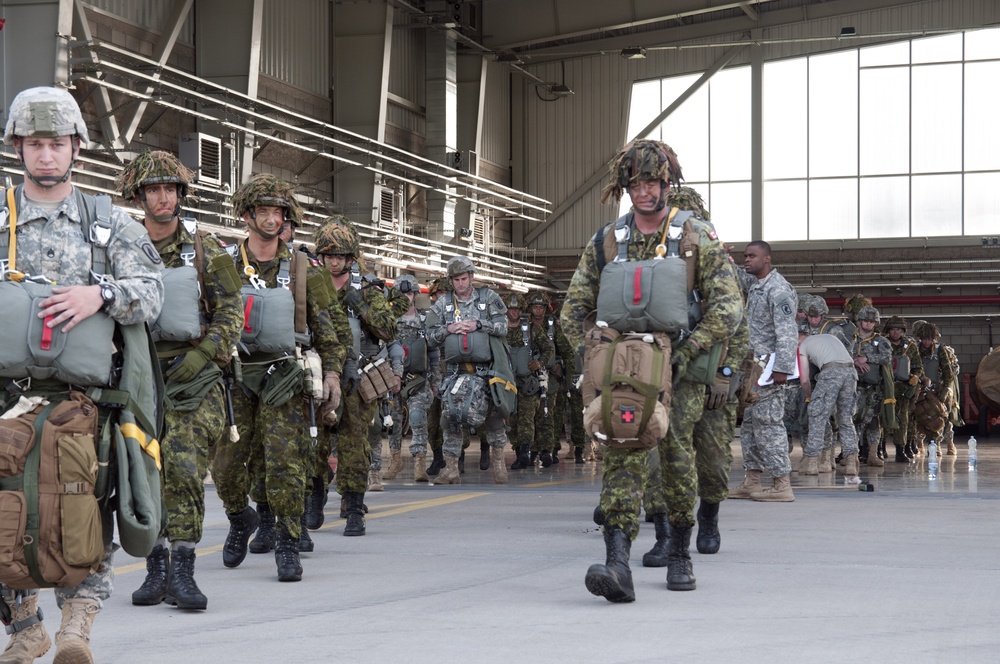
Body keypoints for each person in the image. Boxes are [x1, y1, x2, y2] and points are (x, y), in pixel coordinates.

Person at [0, 86, 164, 663]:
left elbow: (153, 294)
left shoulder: (110, 224)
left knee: (83, 506)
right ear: (19, 146)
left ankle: (77, 627)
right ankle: (23, 627)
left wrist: (102, 294)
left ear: (76, 148)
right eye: (36, 144)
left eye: (58, 144)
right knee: (6, 511)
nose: (46, 155)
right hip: (8, 403)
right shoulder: (1, 220)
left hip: (85, 404)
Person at [562, 141, 743, 602]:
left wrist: (691, 351)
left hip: (679, 367)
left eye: (652, 183)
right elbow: (573, 310)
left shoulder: (694, 235)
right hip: (625, 371)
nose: (644, 192)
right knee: (622, 452)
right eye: (635, 184)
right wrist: (597, 358)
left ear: (668, 184)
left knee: (677, 456)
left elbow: (728, 306)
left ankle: (680, 551)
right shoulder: (607, 240)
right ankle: (617, 563)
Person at [118, 151, 242, 611]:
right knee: (143, 471)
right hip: (138, 374)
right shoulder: (122, 247)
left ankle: (183, 569)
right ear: (139, 196)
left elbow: (233, 313)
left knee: (185, 469)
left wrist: (206, 352)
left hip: (194, 376)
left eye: (170, 189)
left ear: (181, 195)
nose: (163, 197)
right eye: (154, 190)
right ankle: (156, 568)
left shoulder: (206, 248)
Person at [212, 174, 345, 582]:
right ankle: (240, 517)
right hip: (234, 378)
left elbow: (329, 330)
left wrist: (334, 374)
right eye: (263, 211)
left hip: (285, 377)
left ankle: (288, 543)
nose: (271, 219)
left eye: (278, 212)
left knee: (286, 465)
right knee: (227, 466)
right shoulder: (223, 265)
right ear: (248, 215)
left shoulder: (305, 269)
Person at [639, 185, 747, 562]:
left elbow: (739, 327)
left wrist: (725, 374)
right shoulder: (653, 261)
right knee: (662, 454)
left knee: (714, 461)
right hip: (668, 375)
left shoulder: (721, 266)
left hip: (713, 381)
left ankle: (710, 517)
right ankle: (666, 533)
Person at [309, 217, 400, 534]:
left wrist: (361, 306)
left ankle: (353, 504)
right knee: (313, 441)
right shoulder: (311, 286)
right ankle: (314, 494)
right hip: (319, 375)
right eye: (328, 255)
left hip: (357, 376)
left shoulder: (365, 290)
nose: (334, 261)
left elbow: (388, 329)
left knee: (354, 443)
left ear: (350, 258)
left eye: (340, 256)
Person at [425, 256, 511, 485]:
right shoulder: (443, 304)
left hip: (486, 370)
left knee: (493, 417)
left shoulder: (488, 298)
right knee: (450, 417)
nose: (460, 284)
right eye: (456, 280)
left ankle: (499, 463)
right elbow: (430, 337)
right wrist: (449, 329)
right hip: (455, 372)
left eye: (463, 278)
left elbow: (504, 328)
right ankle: (451, 468)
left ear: (471, 277)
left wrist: (479, 325)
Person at [730, 240, 797, 502]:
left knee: (768, 423)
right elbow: (737, 276)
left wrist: (782, 368)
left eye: (752, 256)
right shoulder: (757, 284)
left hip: (768, 368)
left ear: (766, 259)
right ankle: (752, 481)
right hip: (752, 368)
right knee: (749, 425)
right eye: (745, 256)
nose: (746, 260)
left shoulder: (778, 289)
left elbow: (787, 332)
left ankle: (782, 484)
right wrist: (721, 256)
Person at [384, 274, 440, 482]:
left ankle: (419, 463)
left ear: (415, 294)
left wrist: (435, 381)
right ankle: (395, 459)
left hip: (418, 379)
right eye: (401, 293)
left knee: (417, 418)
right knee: (393, 420)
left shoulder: (425, 320)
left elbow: (433, 353)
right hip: (392, 378)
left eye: (409, 293)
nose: (406, 297)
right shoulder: (388, 320)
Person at [530, 292, 586, 464]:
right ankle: (539, 449)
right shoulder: (526, 327)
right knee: (536, 415)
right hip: (530, 377)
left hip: (556, 379)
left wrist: (563, 369)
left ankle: (573, 449)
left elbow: (567, 353)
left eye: (541, 307)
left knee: (560, 414)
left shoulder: (552, 328)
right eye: (535, 307)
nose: (538, 311)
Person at [796, 331, 860, 477]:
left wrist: (809, 396)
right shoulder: (829, 337)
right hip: (851, 373)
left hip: (830, 372)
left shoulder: (803, 346)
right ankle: (851, 464)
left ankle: (812, 463)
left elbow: (804, 379)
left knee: (817, 417)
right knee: (846, 420)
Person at [503, 292, 554, 470]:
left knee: (526, 420)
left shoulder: (532, 330)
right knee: (512, 420)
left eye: (516, 309)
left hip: (527, 384)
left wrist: (540, 363)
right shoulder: (500, 331)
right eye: (510, 308)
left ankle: (525, 453)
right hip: (507, 384)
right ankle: (519, 450)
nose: (514, 312)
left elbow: (549, 349)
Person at [850, 306, 893, 467]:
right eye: (865, 321)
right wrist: (854, 360)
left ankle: (873, 454)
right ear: (859, 321)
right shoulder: (850, 338)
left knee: (873, 423)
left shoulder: (881, 341)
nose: (868, 324)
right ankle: (852, 455)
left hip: (872, 389)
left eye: (871, 322)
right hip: (852, 387)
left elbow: (887, 357)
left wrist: (866, 358)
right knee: (851, 422)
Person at [884, 315, 923, 461]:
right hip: (885, 387)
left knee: (903, 419)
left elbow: (918, 366)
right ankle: (880, 449)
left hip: (903, 388)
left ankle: (900, 450)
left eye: (898, 330)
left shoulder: (910, 346)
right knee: (882, 418)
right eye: (892, 329)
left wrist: (915, 377)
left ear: (903, 331)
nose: (895, 332)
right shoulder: (882, 343)